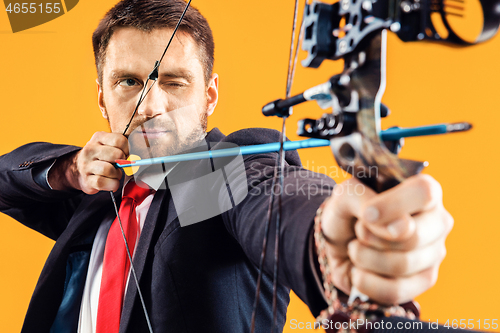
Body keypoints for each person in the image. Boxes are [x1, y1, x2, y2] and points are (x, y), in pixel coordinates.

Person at [0, 0, 453, 332]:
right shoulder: (95, 198)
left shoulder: (206, 179)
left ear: (209, 95)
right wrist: (67, 170)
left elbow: (265, 198)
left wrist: (329, 239)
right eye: (129, 82)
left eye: (174, 81)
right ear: (103, 97)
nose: (151, 104)